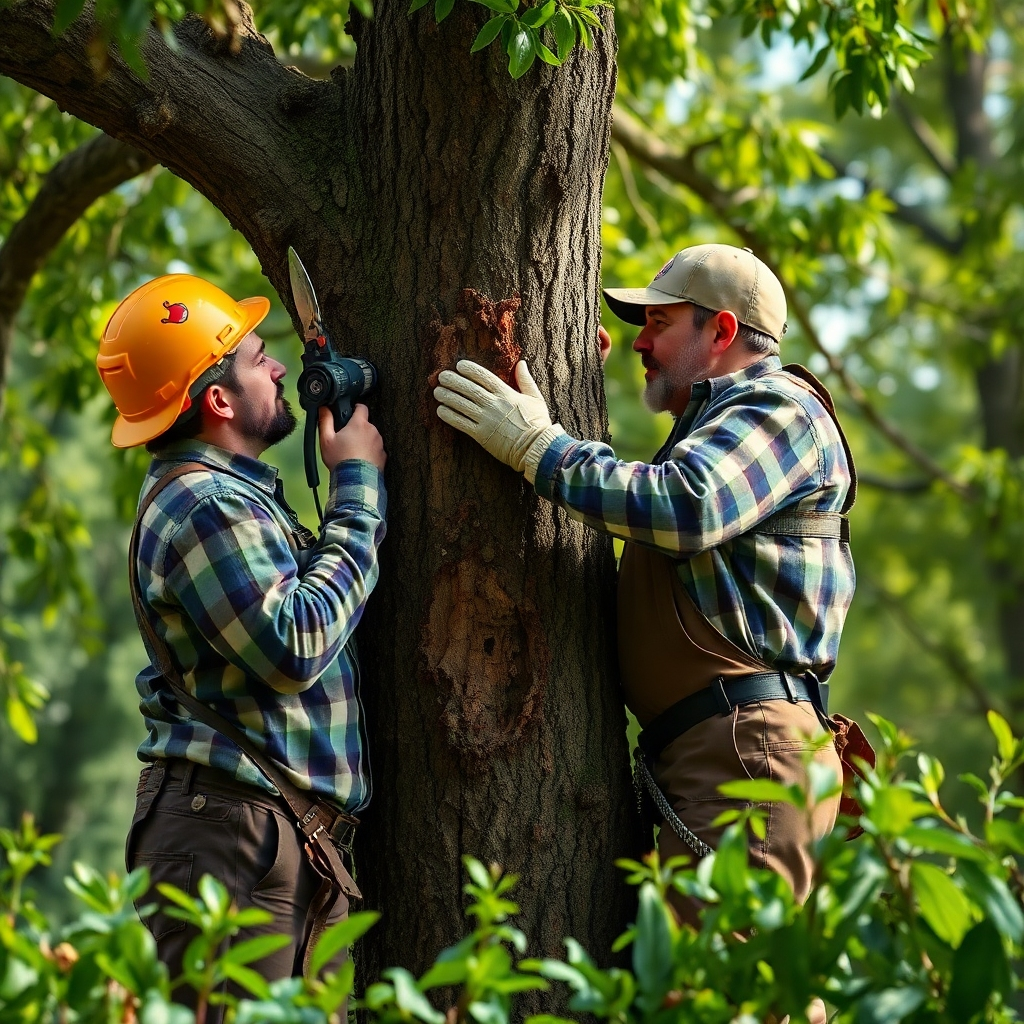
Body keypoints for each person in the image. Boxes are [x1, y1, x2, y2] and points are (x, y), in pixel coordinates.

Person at [432, 243, 854, 915]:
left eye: (660, 323)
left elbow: (685, 506)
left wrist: (537, 448)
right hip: (716, 753)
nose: (639, 340)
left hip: (746, 753)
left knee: (728, 1003)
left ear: (720, 331)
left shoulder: (780, 409)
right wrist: (566, 387)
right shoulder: (718, 426)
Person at [95, 273, 387, 1003]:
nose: (283, 368)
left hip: (260, 833)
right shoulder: (207, 506)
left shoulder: (232, 498)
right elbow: (297, 644)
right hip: (230, 834)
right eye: (260, 359)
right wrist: (357, 486)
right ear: (219, 400)